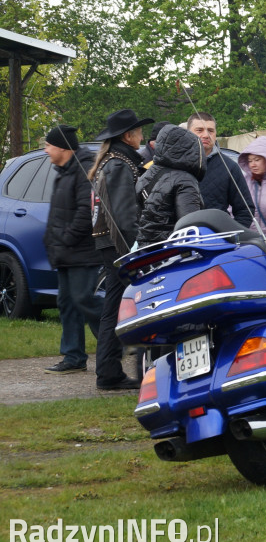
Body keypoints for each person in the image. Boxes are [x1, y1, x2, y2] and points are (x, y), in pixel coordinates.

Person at [89, 109, 153, 390]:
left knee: (114, 307)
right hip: (118, 245)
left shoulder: (115, 160)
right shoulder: (119, 164)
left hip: (111, 243)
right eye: (138, 131)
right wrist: (135, 250)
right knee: (119, 307)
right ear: (128, 136)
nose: (142, 136)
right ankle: (111, 371)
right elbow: (124, 216)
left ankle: (109, 371)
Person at [41, 126, 102, 375]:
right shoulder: (63, 171)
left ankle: (116, 340)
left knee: (84, 298)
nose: (46, 150)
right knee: (66, 302)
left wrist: (66, 238)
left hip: (81, 251)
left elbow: (85, 213)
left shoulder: (83, 171)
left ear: (63, 148)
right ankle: (73, 357)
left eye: (48, 145)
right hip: (65, 252)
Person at [135, 125, 205, 247]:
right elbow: (190, 226)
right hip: (172, 252)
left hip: (144, 251)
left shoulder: (145, 175)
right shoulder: (185, 179)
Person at [187, 112, 254, 228]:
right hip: (179, 239)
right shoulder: (175, 164)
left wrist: (229, 236)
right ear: (188, 133)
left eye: (210, 131)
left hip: (217, 241)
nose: (206, 135)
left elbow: (245, 210)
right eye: (199, 130)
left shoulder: (230, 167)